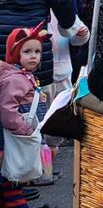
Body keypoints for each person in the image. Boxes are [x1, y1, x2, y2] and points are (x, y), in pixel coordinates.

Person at [0, 23, 46, 206]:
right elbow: (7, 109)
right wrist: (24, 129)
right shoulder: (15, 79)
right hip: (14, 138)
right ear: (14, 54)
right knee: (12, 179)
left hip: (17, 136)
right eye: (27, 52)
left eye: (37, 51)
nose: (33, 56)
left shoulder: (25, 76)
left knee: (10, 179)